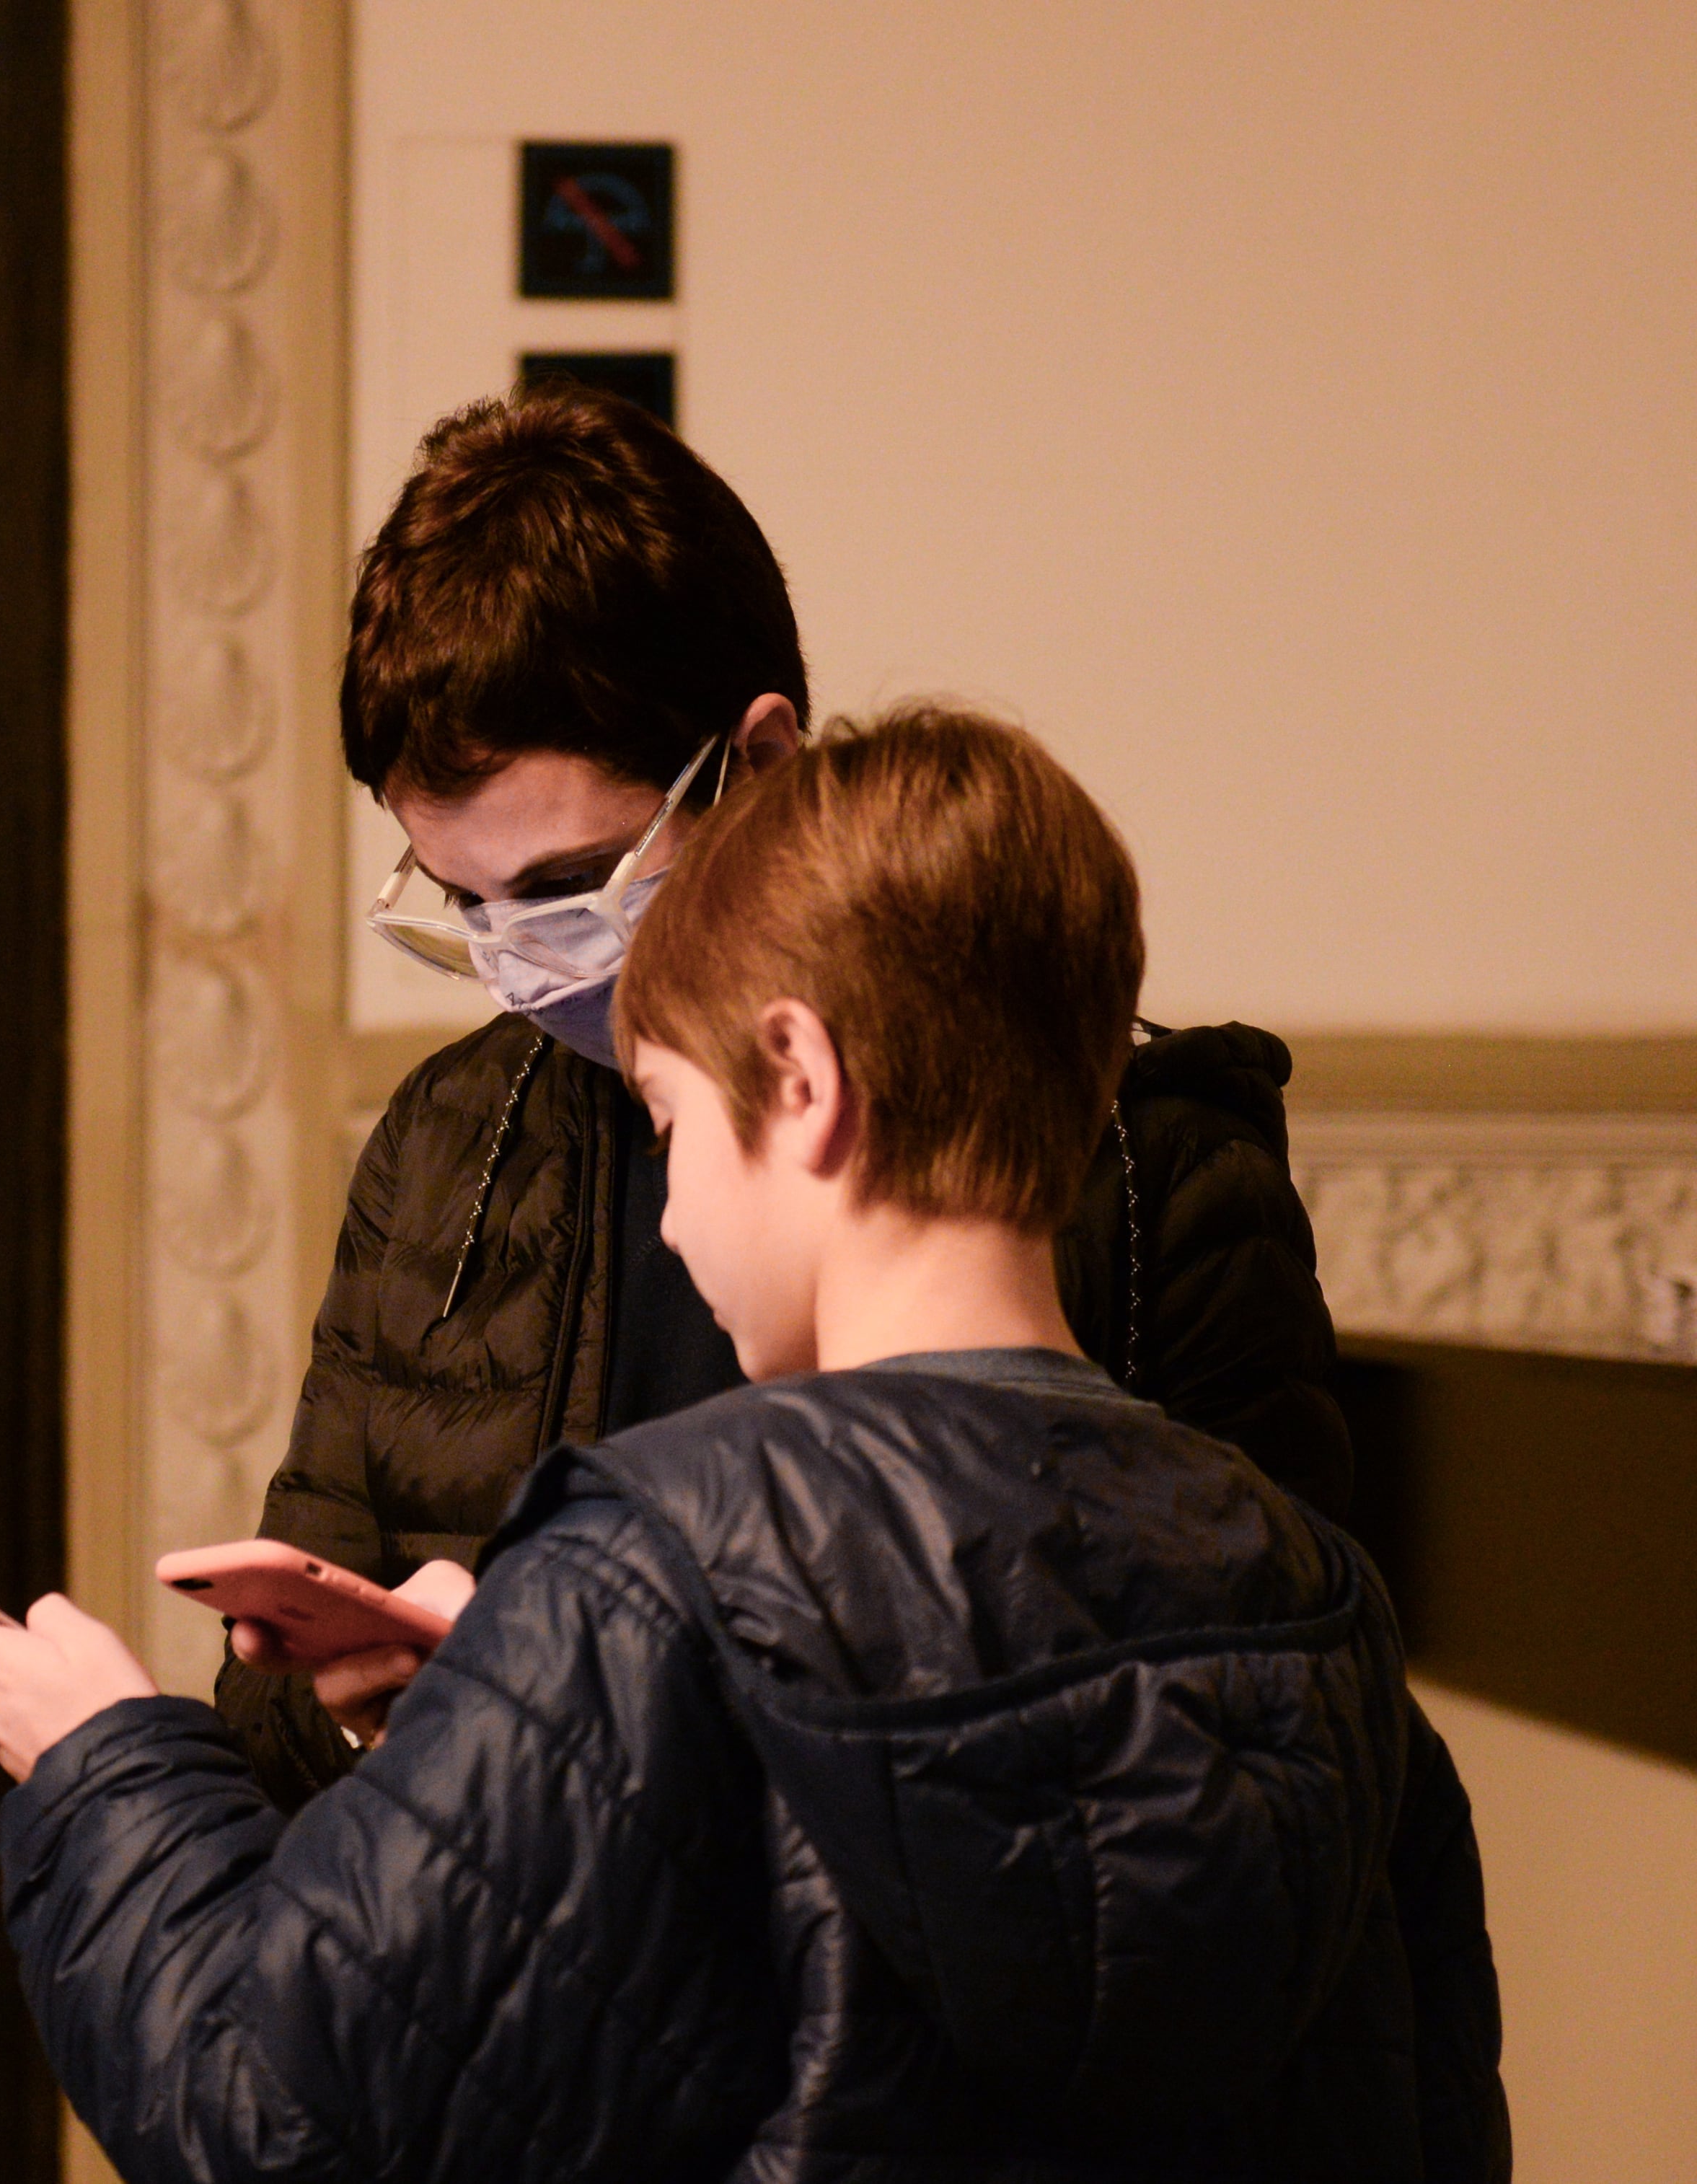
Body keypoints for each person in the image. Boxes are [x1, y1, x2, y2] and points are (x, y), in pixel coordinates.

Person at [0, 710, 1509, 2183]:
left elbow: (276, 2109)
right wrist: (529, 1682)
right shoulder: (1318, 1597)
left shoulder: (659, 1567)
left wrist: (104, 1759)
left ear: (797, 1079)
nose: (670, 1216)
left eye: (667, 1125)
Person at [222, 385, 1353, 1807]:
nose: (525, 967)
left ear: (762, 759)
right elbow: (271, 1710)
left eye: (574, 888)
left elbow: (1277, 1754)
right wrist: (375, 1712)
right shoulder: (451, 1149)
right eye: (467, 906)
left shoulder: (1146, 1168)